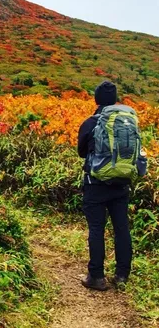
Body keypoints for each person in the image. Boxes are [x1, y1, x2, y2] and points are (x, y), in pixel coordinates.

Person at [77, 80, 132, 291]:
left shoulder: (91, 123)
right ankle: (121, 275)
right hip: (121, 183)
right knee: (121, 228)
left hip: (96, 183)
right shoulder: (126, 122)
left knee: (97, 228)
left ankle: (97, 277)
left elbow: (82, 152)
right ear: (115, 99)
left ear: (96, 98)